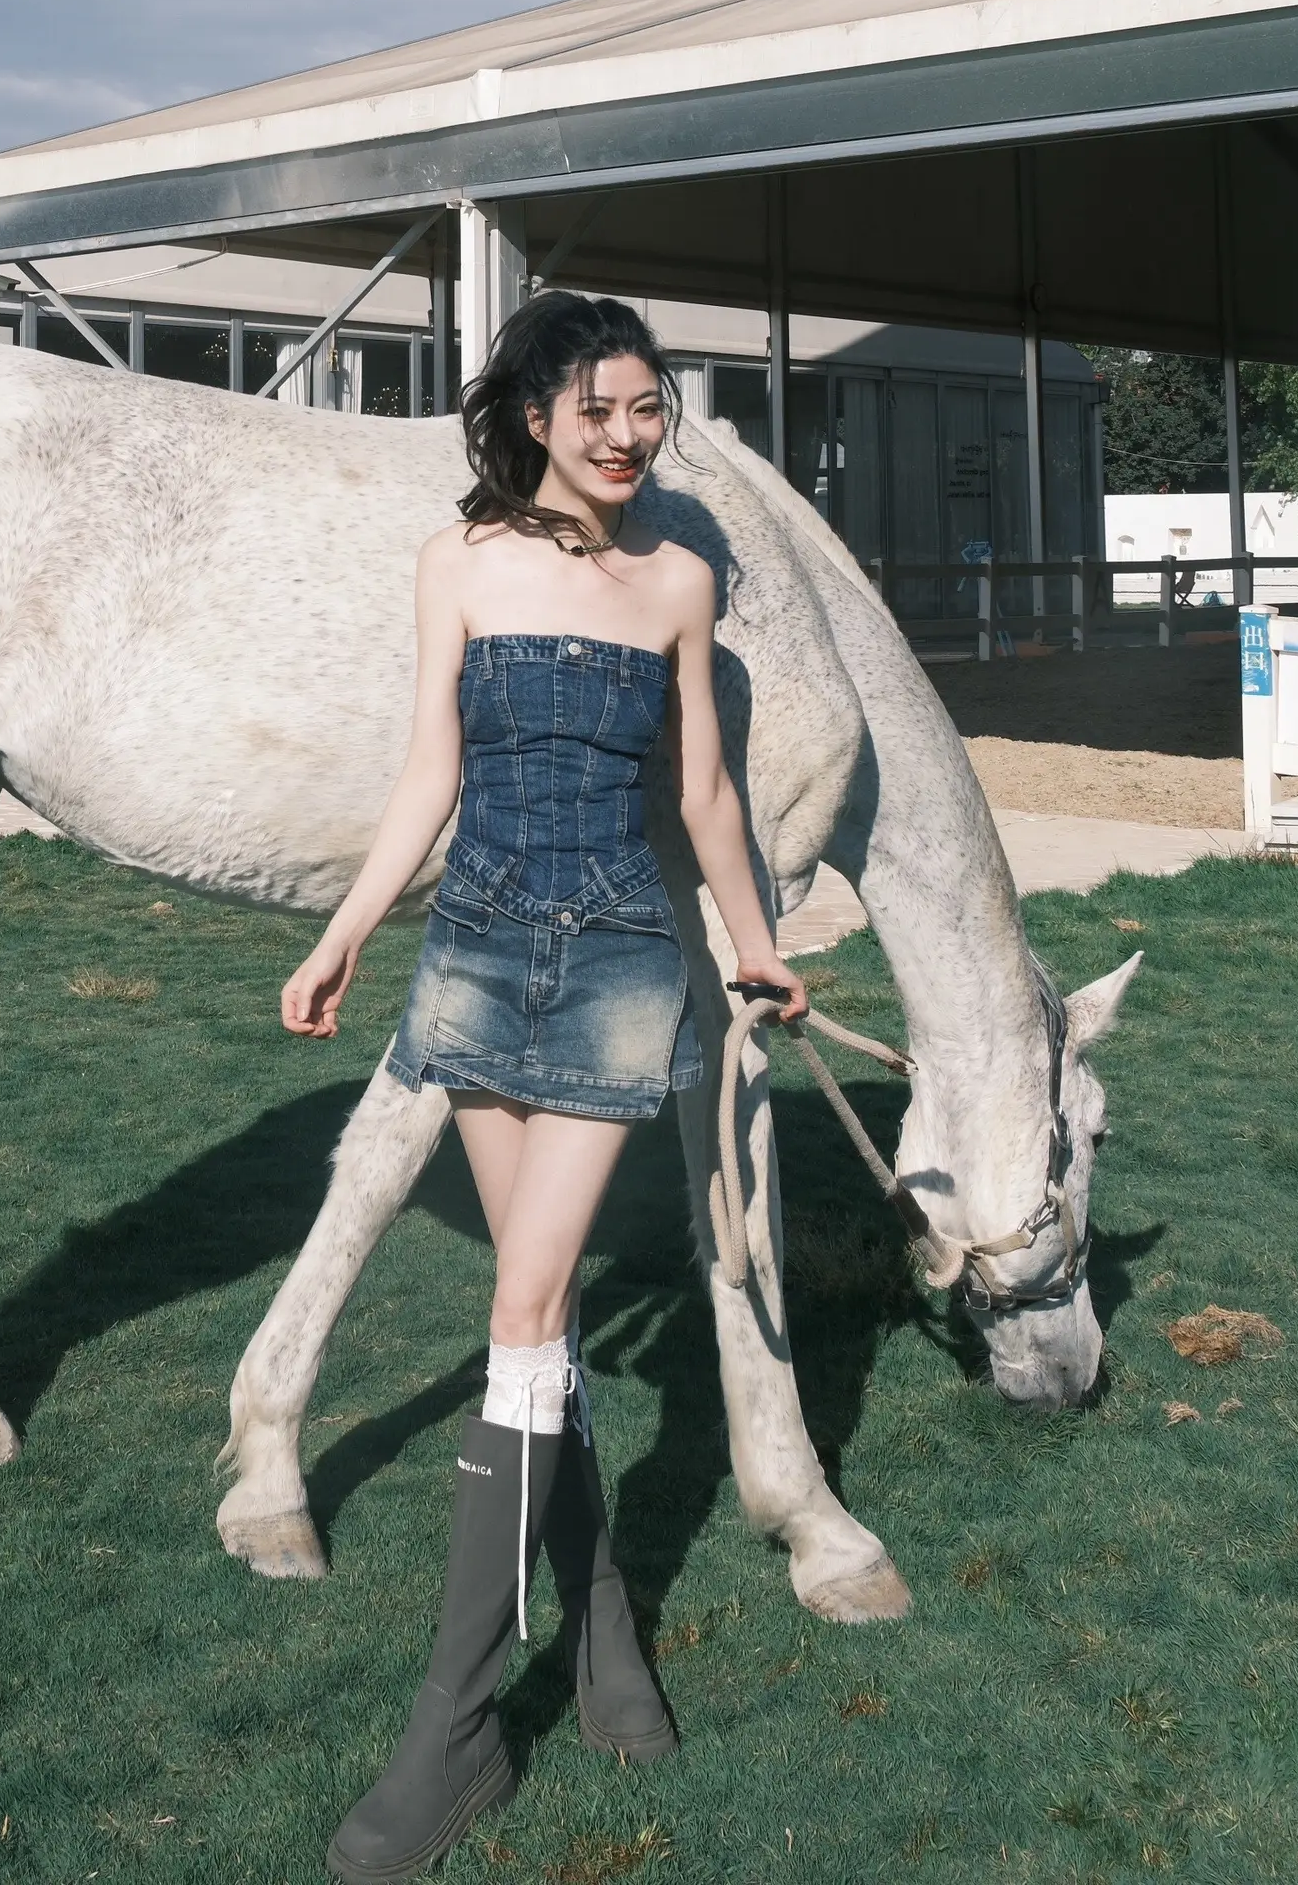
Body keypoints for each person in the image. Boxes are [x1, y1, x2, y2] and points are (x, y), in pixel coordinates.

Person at [282, 291, 807, 1883]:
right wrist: (344, 932)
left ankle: (451, 1730)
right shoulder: (457, 563)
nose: (631, 437)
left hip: (618, 974)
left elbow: (703, 796)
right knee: (550, 1320)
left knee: (520, 1306)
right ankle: (606, 1633)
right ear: (534, 417)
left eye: (651, 410)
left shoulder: (681, 583)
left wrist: (758, 947)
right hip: (473, 953)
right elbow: (427, 776)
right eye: (601, 411)